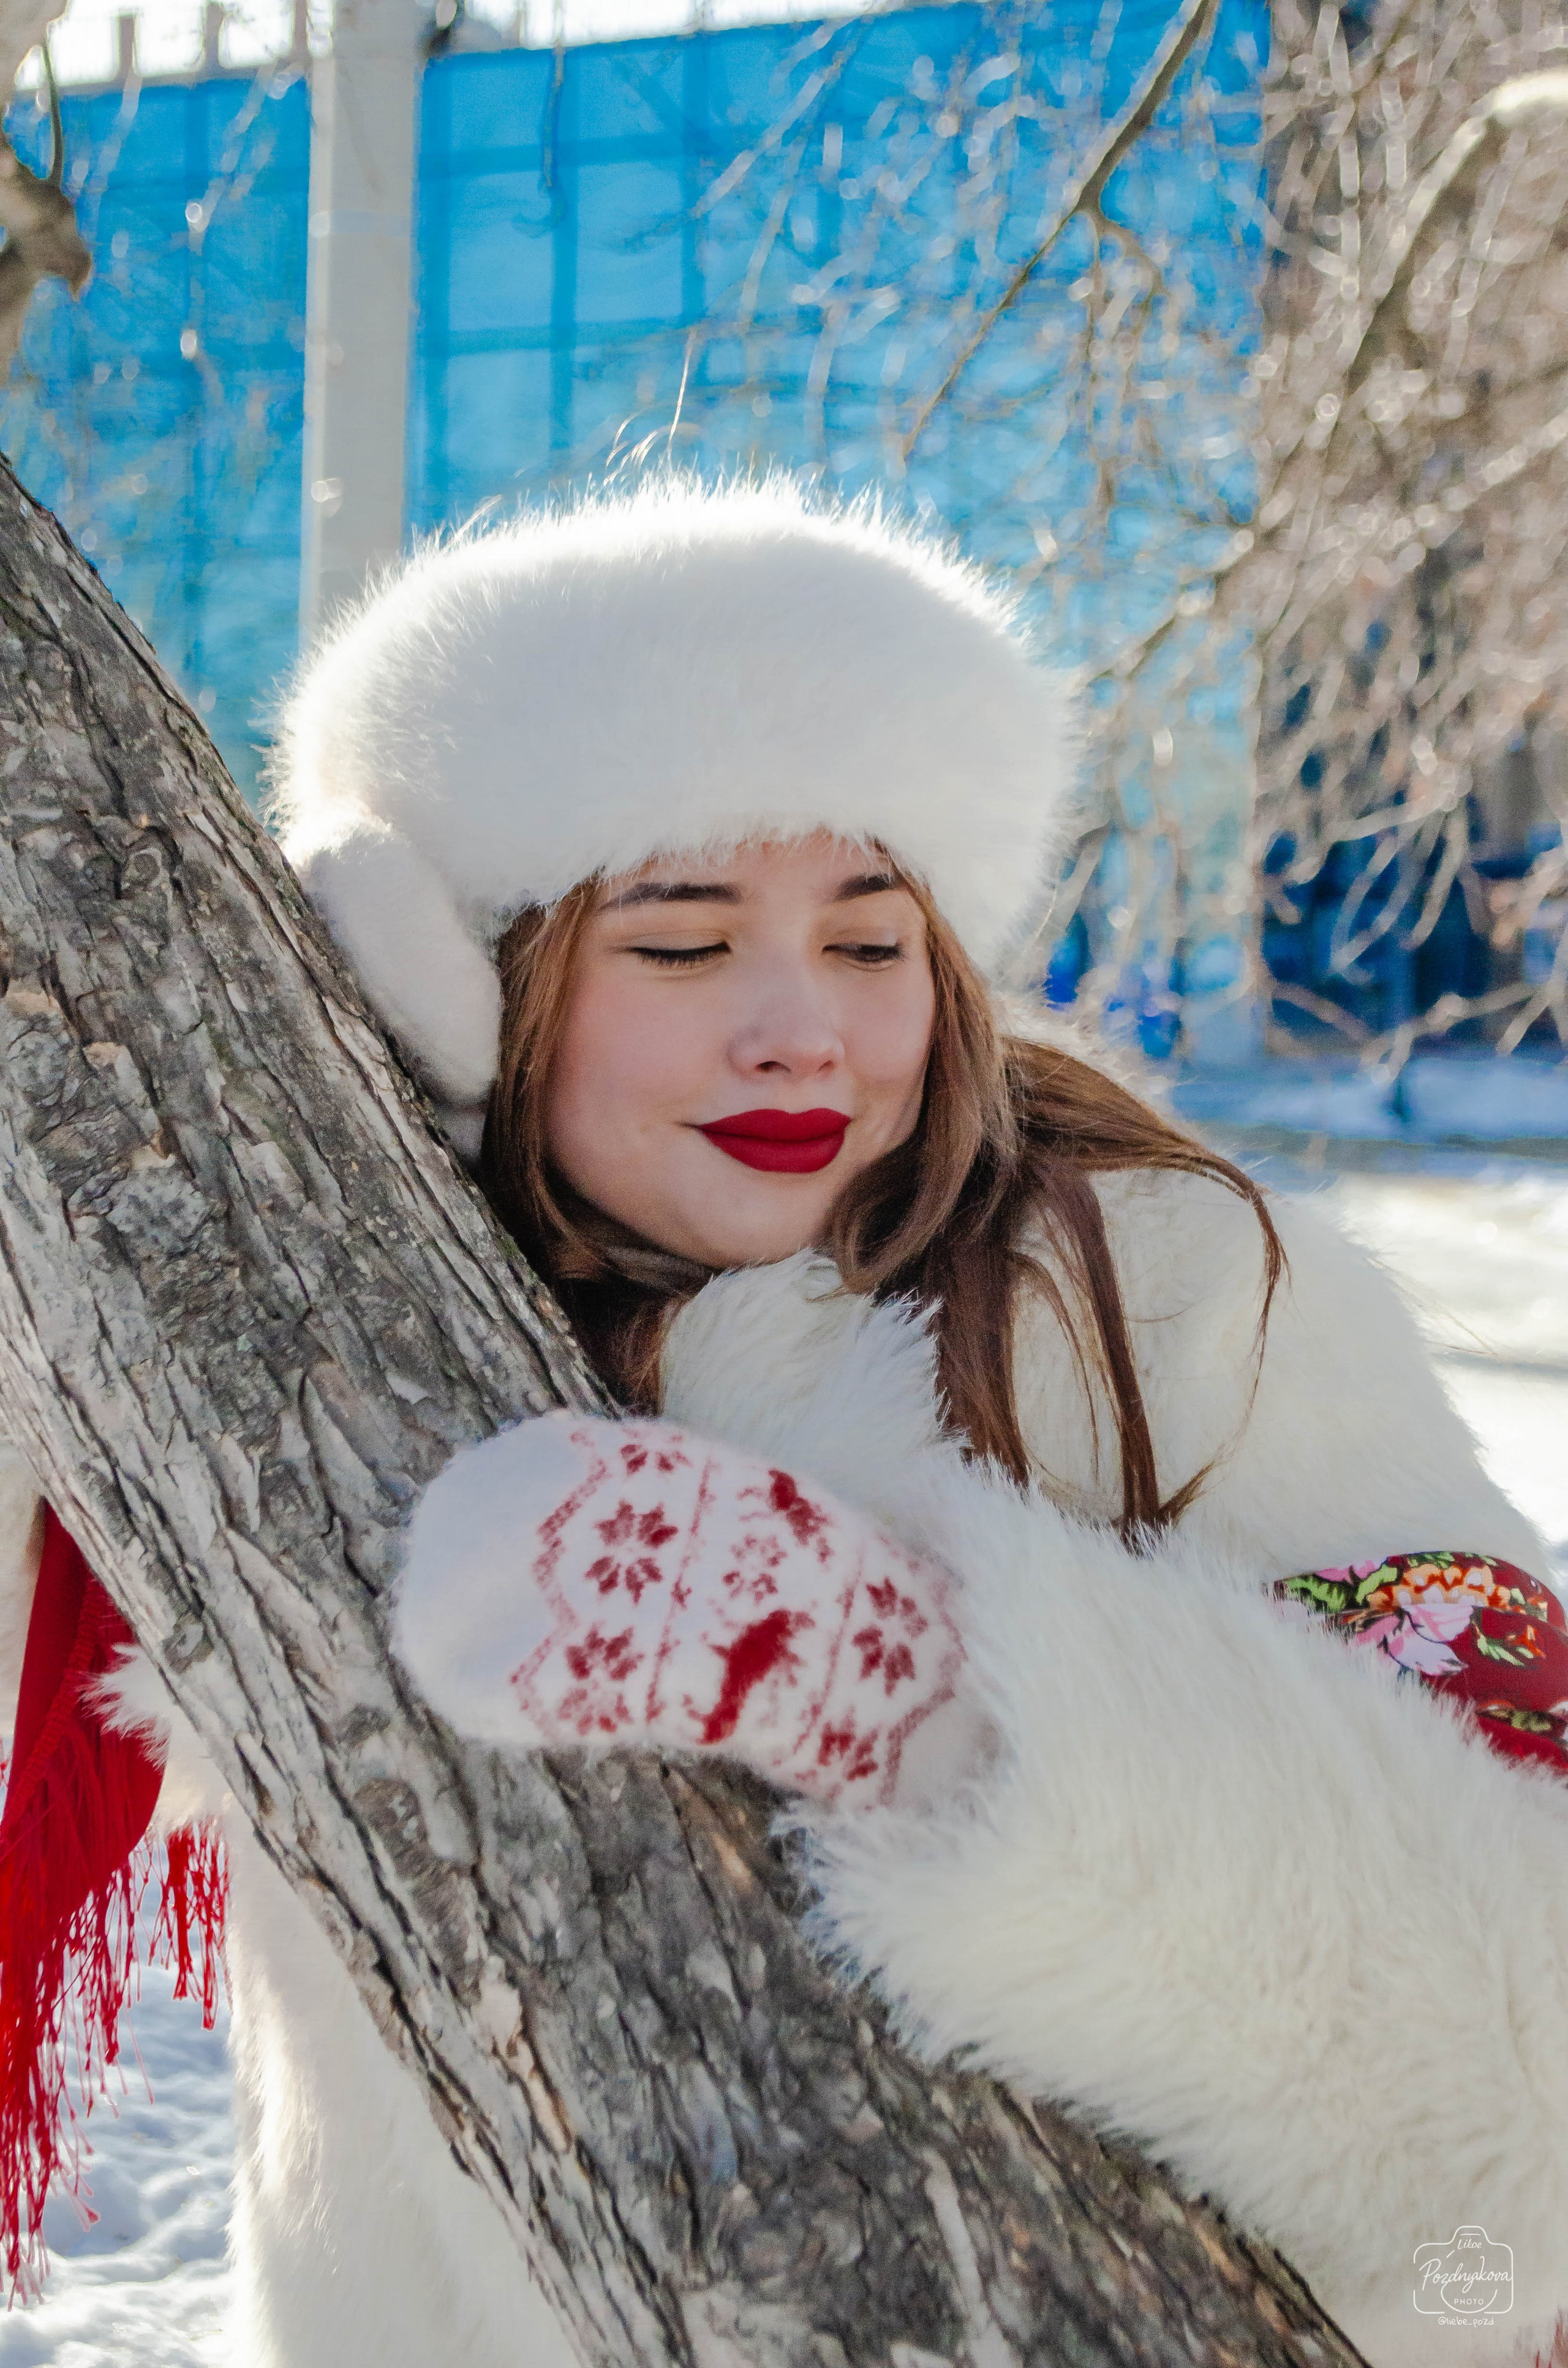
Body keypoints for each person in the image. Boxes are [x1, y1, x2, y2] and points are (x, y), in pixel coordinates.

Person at [1, 475, 1566, 2368]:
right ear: (472, 985)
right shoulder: (315, 1323)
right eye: (678, 942)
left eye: (866, 937)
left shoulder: (1179, 1303)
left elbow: (1525, 2084)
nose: (799, 1030)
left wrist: (936, 1701)